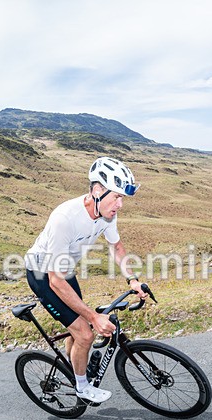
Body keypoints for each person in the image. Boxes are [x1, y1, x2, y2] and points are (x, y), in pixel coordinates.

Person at [24, 156, 146, 404]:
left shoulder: (107, 213)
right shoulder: (65, 218)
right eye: (117, 197)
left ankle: (73, 365)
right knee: (86, 333)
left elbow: (117, 247)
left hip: (64, 269)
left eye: (122, 198)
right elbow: (55, 281)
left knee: (80, 328)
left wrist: (132, 279)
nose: (120, 205)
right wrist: (93, 317)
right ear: (97, 191)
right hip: (42, 273)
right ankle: (82, 387)